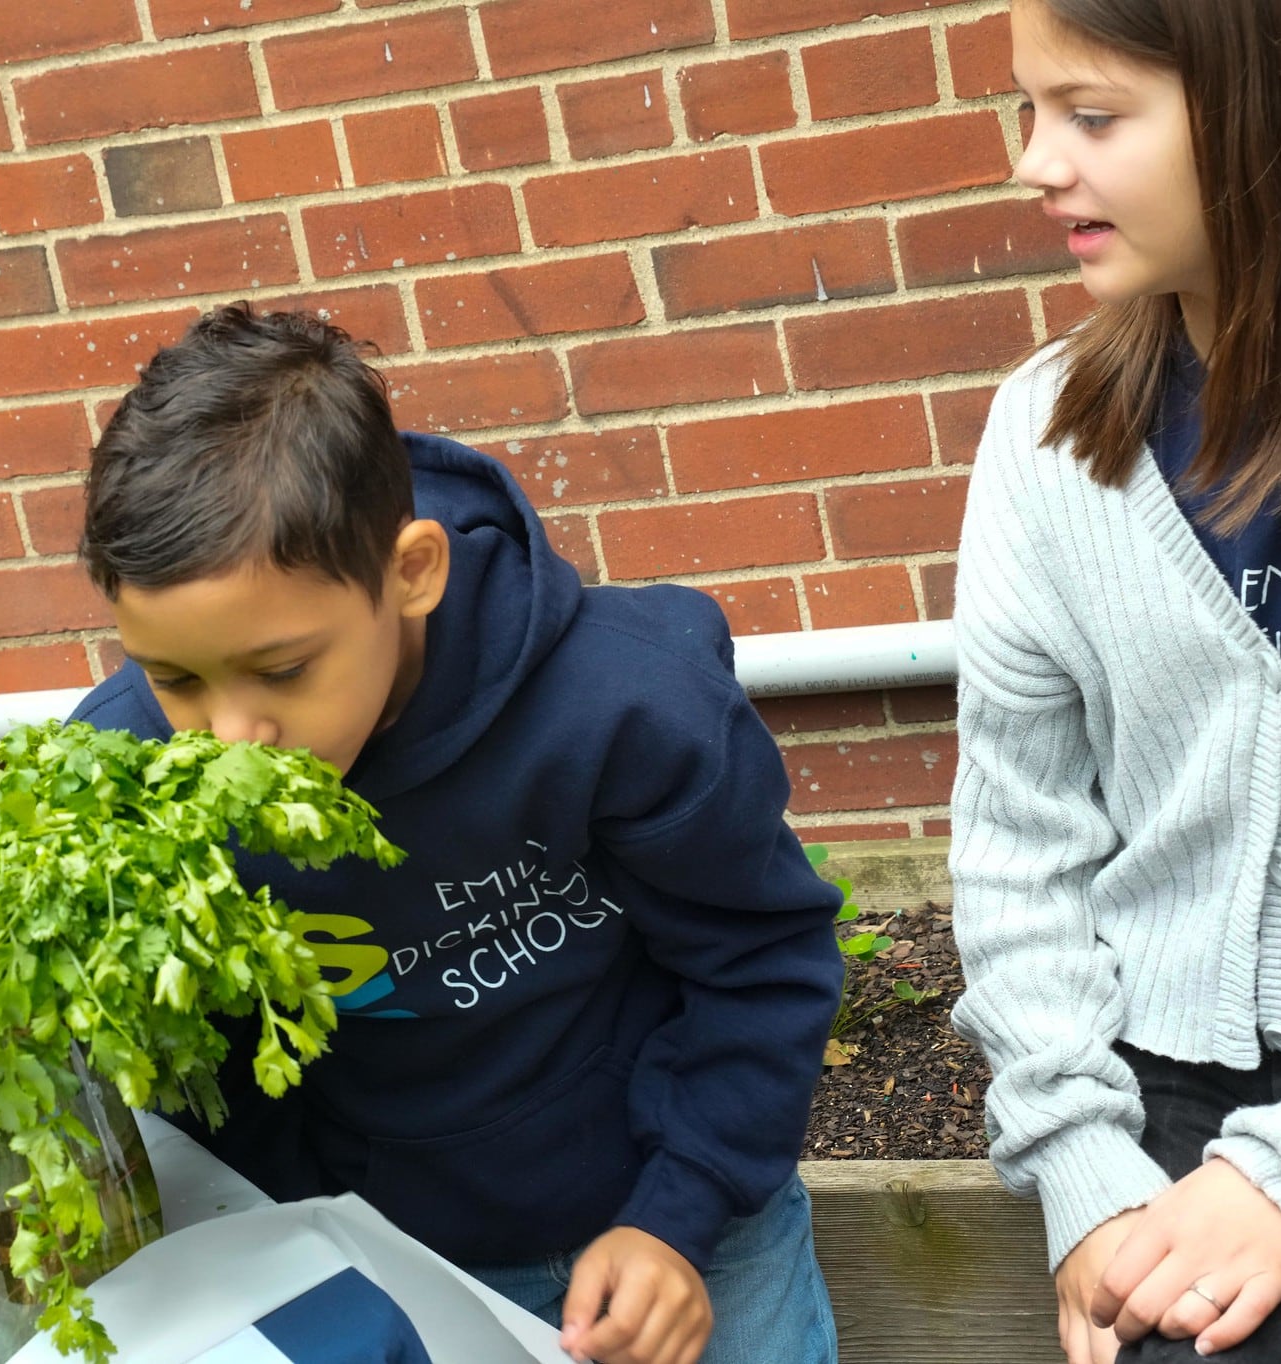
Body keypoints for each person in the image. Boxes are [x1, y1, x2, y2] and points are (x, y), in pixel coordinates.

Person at [68, 303, 843, 1364]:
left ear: (412, 571)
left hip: (683, 1229)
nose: (231, 735)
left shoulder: (624, 708)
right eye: (174, 680)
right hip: (386, 1261)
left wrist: (680, 1207)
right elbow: (194, 1071)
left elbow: (758, 962)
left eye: (284, 669)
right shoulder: (118, 780)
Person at [950, 3, 1281, 1362]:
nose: (1033, 162)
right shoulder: (1042, 439)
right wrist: (1082, 1175)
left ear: (1278, 109)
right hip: (1156, 1089)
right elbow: (1019, 845)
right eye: (1027, 110)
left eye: (1089, 115)